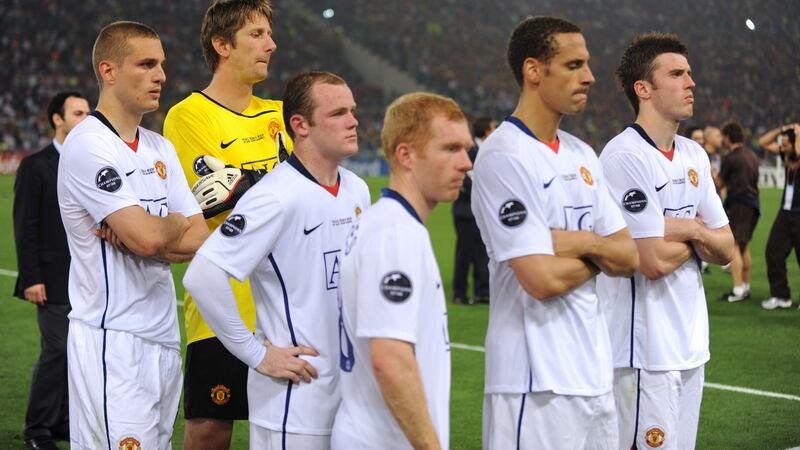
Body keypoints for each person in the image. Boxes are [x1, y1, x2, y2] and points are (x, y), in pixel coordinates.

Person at [471, 16, 639, 449]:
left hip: (593, 372)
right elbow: (541, 280)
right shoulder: (505, 156)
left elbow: (630, 257)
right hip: (534, 382)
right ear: (533, 70)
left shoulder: (582, 154)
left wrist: (578, 242)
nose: (590, 77)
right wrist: (602, 253)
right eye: (573, 65)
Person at [183, 71, 370, 449]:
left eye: (352, 110)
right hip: (294, 401)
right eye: (337, 113)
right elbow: (202, 275)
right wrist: (256, 354)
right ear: (299, 125)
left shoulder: (356, 188)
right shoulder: (275, 196)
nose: (352, 121)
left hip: (348, 395)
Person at [57, 21, 209, 449]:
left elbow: (198, 239)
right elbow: (148, 239)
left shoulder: (160, 147)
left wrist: (160, 230)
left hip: (162, 337)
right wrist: (169, 226)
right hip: (113, 341)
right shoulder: (89, 144)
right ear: (108, 71)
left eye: (161, 64)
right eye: (146, 64)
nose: (161, 75)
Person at [162, 1, 292, 447]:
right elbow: (217, 203)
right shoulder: (188, 115)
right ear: (221, 44)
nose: (271, 44)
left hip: (288, 306)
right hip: (224, 309)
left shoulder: (280, 112)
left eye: (269, 34)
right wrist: (276, 186)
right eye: (256, 34)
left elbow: (298, 195)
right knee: (210, 430)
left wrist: (249, 184)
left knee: (291, 429)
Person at [598, 33, 734, 449]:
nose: (691, 82)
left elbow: (727, 247)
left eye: (689, 73)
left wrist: (682, 227)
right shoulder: (624, 157)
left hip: (692, 346)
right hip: (645, 354)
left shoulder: (694, 154)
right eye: (676, 74)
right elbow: (651, 259)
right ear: (644, 89)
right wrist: (697, 231)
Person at [331, 92, 472, 450]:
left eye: (466, 149)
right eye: (450, 149)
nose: (466, 162)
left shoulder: (387, 223)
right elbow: (390, 360)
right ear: (406, 154)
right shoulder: (395, 233)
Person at [13, 91, 90, 450]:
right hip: (52, 278)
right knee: (57, 350)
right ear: (57, 119)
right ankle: (37, 429)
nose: (86, 118)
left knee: (77, 352)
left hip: (87, 278)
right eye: (78, 113)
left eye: (88, 112)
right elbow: (25, 225)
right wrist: (31, 277)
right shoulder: (35, 165)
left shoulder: (88, 162)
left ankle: (62, 420)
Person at [451, 116, 494, 305]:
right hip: (465, 211)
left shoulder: (485, 150)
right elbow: (463, 176)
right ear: (486, 131)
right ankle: (459, 293)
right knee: (464, 254)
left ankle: (482, 291)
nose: (496, 131)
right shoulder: (470, 151)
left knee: (481, 253)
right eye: (494, 128)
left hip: (479, 211)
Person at [758, 123, 800, 309]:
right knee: (773, 251)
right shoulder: (786, 154)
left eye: (785, 144)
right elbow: (762, 142)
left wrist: (797, 135)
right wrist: (782, 130)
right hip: (785, 213)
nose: (782, 147)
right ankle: (781, 296)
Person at [718, 120, 760, 302]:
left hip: (739, 204)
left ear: (728, 137)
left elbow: (719, 184)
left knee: (734, 245)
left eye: (723, 136)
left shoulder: (731, 158)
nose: (722, 140)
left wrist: (711, 174)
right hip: (753, 204)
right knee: (743, 246)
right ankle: (746, 286)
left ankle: (737, 290)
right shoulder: (751, 155)